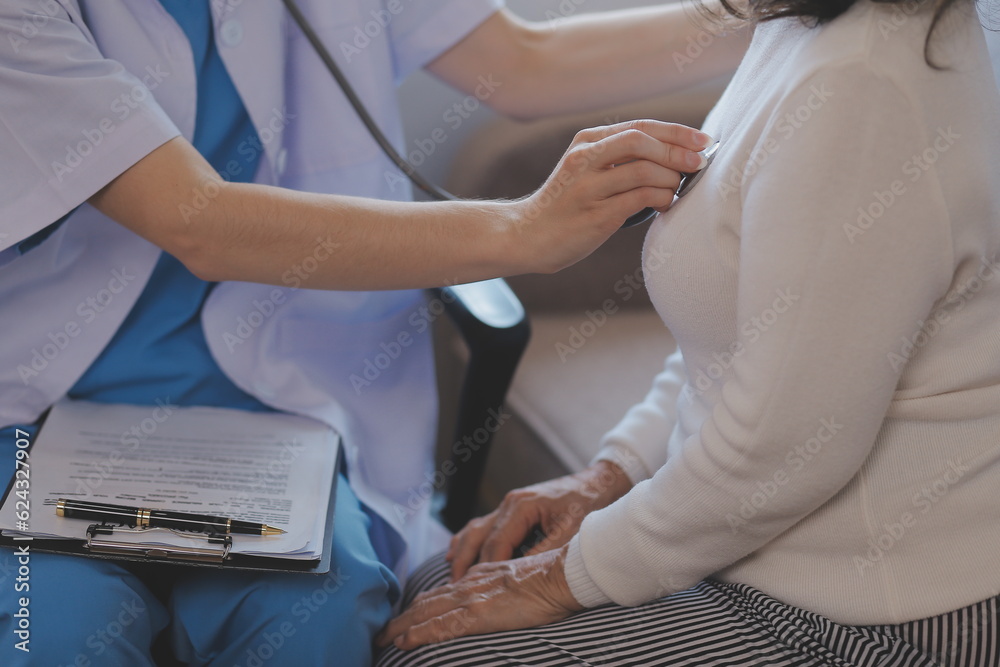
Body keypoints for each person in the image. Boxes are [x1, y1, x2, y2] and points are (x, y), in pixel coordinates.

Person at [0, 0, 750, 665]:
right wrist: (524, 227)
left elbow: (522, 64)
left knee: (314, 622)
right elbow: (198, 220)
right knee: (54, 633)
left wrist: (772, 9)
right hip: (41, 413)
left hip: (284, 417)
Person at [376, 0, 1000, 665]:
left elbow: (782, 449)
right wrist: (613, 472)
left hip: (877, 611)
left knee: (433, 655)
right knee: (445, 575)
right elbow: (741, 328)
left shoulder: (865, 87)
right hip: (755, 557)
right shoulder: (798, 26)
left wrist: (567, 575)